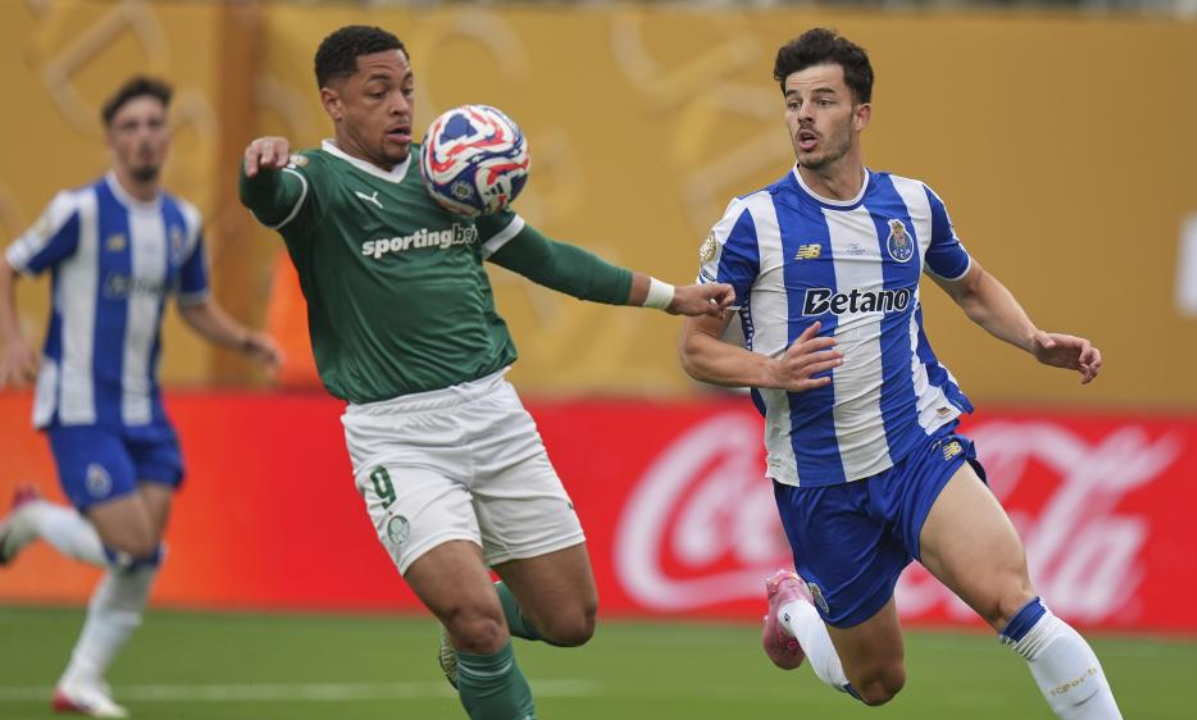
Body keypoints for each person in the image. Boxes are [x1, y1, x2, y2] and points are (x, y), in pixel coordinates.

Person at [238, 25, 733, 720]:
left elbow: (554, 262)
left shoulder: (447, 176)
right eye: (377, 92)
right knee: (479, 620)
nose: (400, 105)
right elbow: (267, 198)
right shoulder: (317, 188)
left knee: (570, 620)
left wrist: (670, 296)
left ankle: (464, 633)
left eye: (406, 88)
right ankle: (470, 633)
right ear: (334, 102)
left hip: (494, 418)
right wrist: (256, 170)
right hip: (397, 436)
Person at [679, 28, 1121, 720]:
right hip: (819, 478)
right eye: (794, 101)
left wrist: (1034, 340)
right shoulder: (753, 223)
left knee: (1014, 603)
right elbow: (697, 349)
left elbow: (970, 287)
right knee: (879, 684)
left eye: (823, 100)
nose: (804, 116)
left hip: (917, 446)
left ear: (860, 114)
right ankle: (796, 609)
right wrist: (770, 368)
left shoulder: (911, 206)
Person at [0, 77, 281, 717]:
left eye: (155, 123)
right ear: (111, 140)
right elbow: (9, 263)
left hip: (144, 411)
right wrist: (11, 339)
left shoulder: (182, 222)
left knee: (142, 554)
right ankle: (35, 518)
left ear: (167, 136)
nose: (145, 136)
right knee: (133, 546)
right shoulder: (80, 210)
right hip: (79, 403)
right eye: (131, 126)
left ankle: (80, 681)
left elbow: (195, 306)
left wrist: (246, 341)